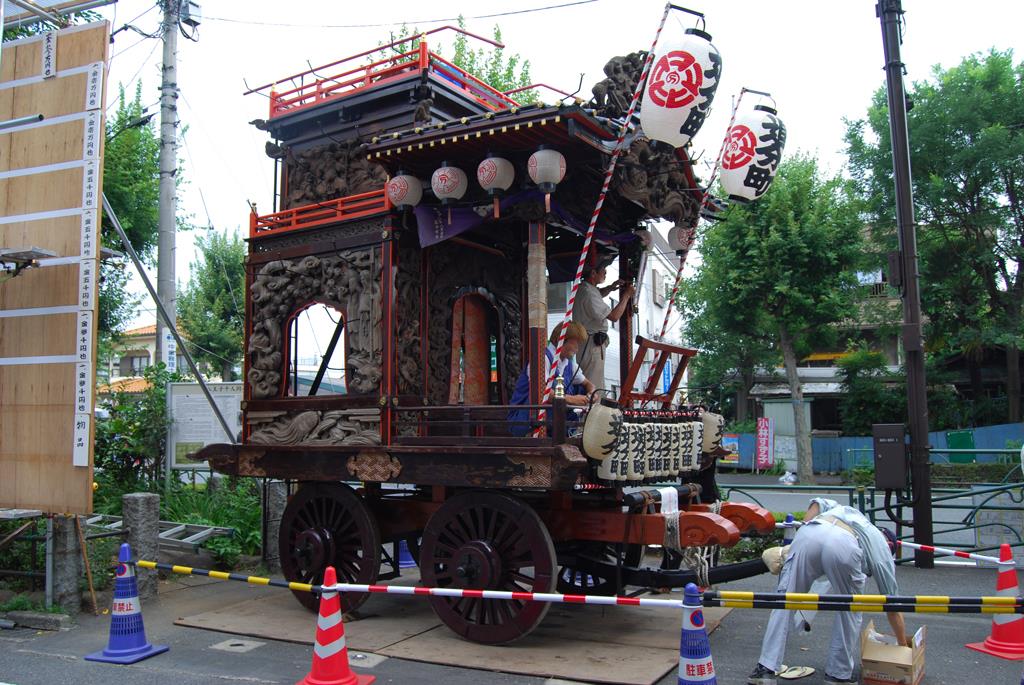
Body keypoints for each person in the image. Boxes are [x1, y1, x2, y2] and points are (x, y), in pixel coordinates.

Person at [748, 498, 908, 685]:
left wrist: (797, 546)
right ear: (890, 546)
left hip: (811, 532)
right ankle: (838, 675)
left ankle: (765, 669)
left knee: (784, 601)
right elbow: (893, 606)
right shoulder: (882, 550)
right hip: (844, 543)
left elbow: (816, 504)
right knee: (850, 609)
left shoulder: (848, 512)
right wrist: (903, 647)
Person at [507, 322, 596, 436]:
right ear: (562, 341)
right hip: (522, 420)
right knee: (553, 389)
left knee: (581, 387)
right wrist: (572, 399)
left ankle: (567, 433)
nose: (577, 348)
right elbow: (542, 393)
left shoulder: (569, 364)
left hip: (552, 421)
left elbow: (588, 383)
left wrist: (591, 394)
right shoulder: (542, 359)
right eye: (575, 343)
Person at [572, 258, 635, 395]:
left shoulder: (585, 288)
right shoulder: (588, 293)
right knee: (592, 385)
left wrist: (611, 288)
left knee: (592, 382)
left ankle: (589, 412)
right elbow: (614, 316)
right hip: (591, 344)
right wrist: (626, 296)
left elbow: (598, 294)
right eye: (603, 271)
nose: (605, 273)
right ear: (593, 273)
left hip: (588, 342)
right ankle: (590, 414)